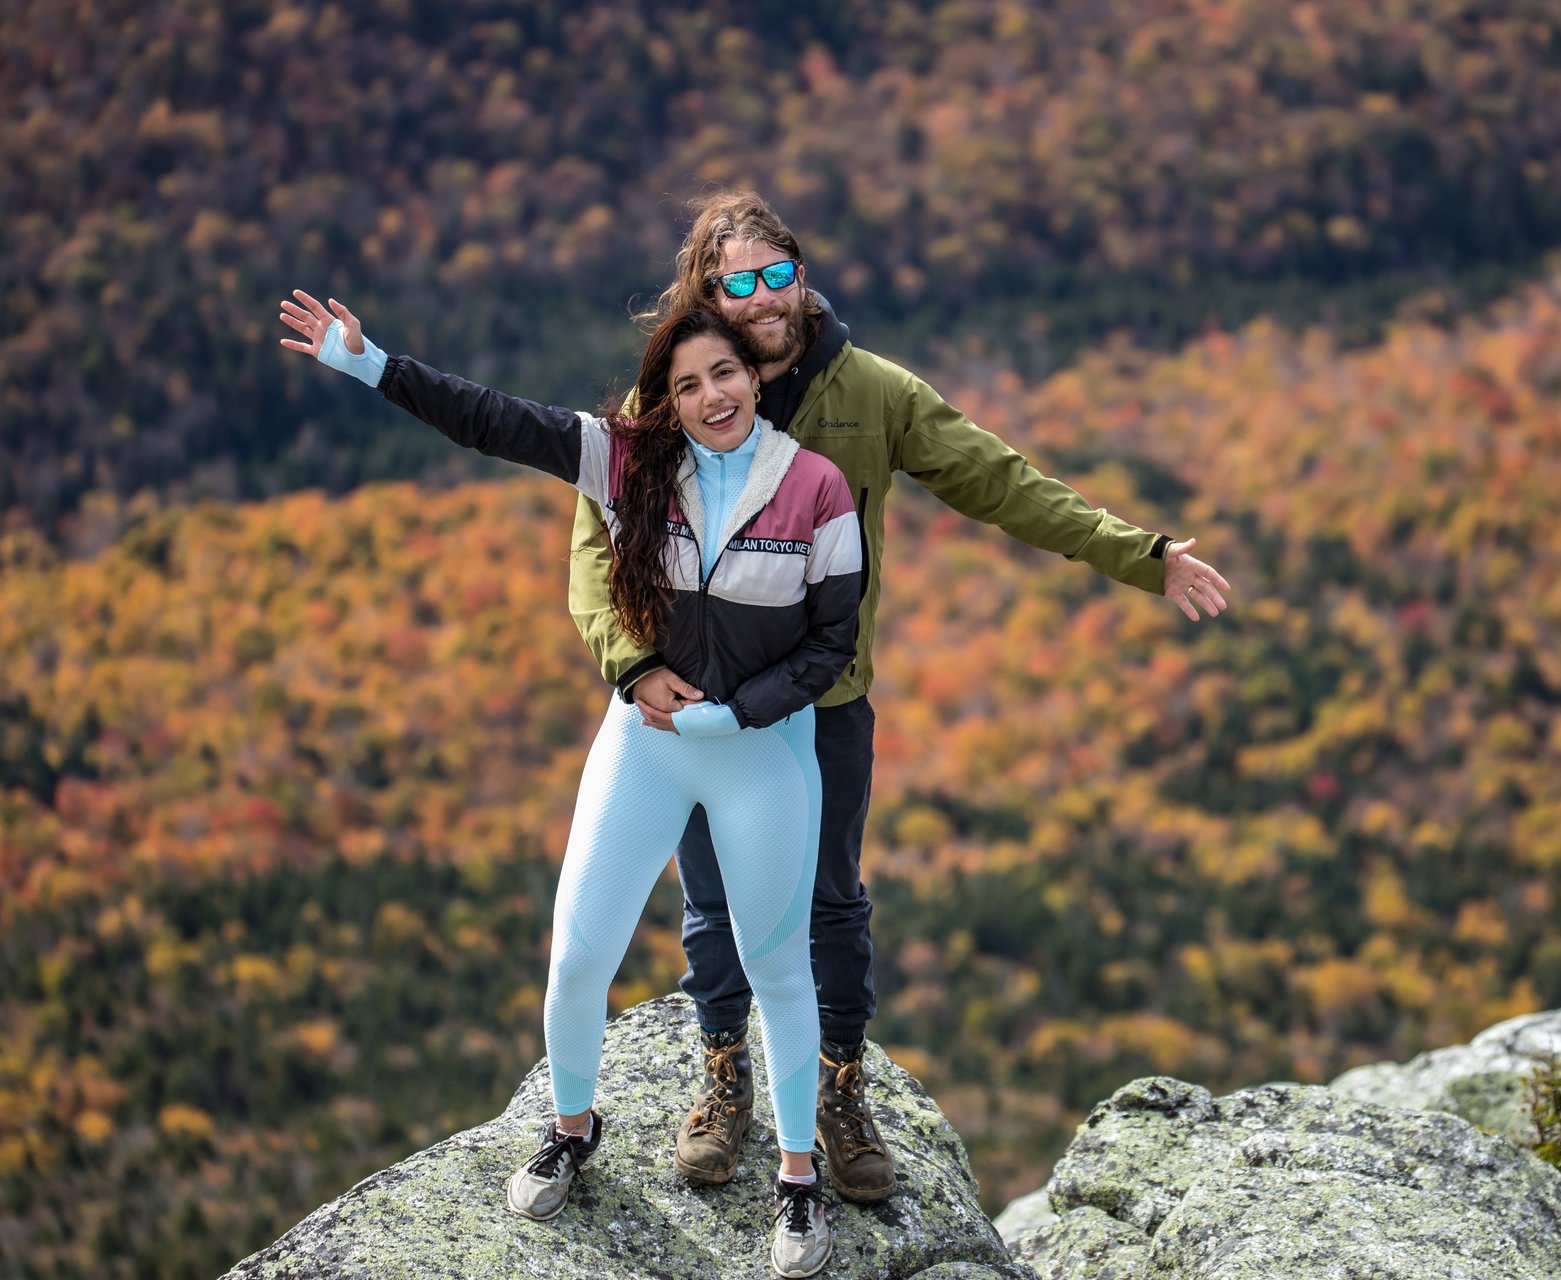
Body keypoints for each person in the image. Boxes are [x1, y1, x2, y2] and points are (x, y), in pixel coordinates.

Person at [568, 192, 1234, 1202]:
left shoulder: (870, 394)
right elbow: (592, 542)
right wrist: (630, 663)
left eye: (775, 273)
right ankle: (724, 1081)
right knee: (712, 906)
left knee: (829, 901)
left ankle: (839, 1090)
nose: (762, 299)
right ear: (708, 294)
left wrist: (1142, 557)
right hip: (692, 702)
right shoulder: (673, 395)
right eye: (736, 282)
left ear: (799, 273)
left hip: (821, 703)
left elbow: (1001, 480)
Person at [278, 292, 855, 1278]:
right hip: (647, 740)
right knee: (579, 953)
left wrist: (736, 710)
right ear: (664, 403)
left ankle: (799, 1180)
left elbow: (831, 643)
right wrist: (375, 366)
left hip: (762, 751)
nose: (711, 394)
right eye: (686, 384)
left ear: (756, 377)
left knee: (778, 969)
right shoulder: (627, 461)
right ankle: (571, 1127)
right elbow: (494, 419)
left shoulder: (816, 489)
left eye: (725, 373)